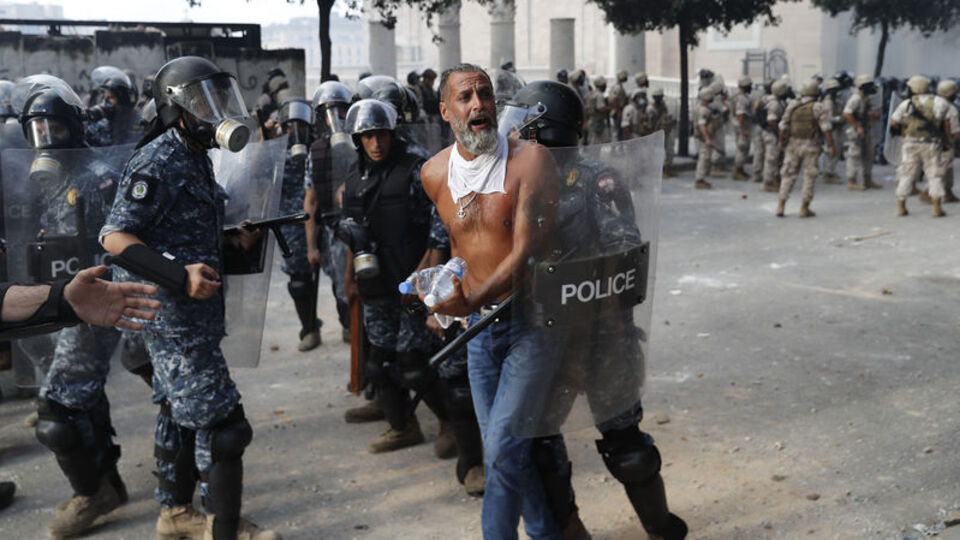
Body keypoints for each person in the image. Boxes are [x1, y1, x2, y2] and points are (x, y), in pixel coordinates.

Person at [100, 56, 280, 540]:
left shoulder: (195, 155)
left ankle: (175, 514)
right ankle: (224, 529)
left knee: (178, 415)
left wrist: (228, 241)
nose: (217, 112)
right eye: (204, 103)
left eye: (220, 100)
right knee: (225, 427)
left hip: (192, 320)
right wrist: (180, 276)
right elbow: (116, 238)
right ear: (175, 110)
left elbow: (178, 230)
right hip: (173, 323)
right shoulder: (158, 159)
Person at [504, 79, 689, 540]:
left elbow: (625, 251)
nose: (516, 139)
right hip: (545, 337)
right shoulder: (515, 180)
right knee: (541, 443)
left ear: (546, 131)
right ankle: (569, 530)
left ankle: (660, 526)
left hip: (602, 334)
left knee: (628, 448)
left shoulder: (593, 179)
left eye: (525, 129)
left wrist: (568, 269)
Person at [420, 62, 564, 540]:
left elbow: (524, 253)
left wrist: (469, 301)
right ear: (446, 111)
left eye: (484, 94)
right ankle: (547, 533)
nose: (478, 104)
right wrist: (441, 289)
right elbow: (461, 249)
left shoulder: (531, 161)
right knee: (506, 449)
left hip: (530, 321)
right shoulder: (434, 174)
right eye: (465, 97)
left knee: (501, 449)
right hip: (478, 332)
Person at [14, 79, 133, 539]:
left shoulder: (97, 175)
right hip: (65, 298)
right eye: (37, 129)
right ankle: (111, 480)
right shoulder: (51, 178)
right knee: (85, 399)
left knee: (56, 412)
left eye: (54, 129)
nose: (46, 139)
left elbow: (119, 242)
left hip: (97, 298)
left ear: (75, 128)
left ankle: (92, 493)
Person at [338, 99, 448, 454]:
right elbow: (354, 233)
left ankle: (453, 424)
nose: (376, 144)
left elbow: (440, 229)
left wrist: (424, 278)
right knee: (379, 363)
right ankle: (402, 426)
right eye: (368, 136)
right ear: (358, 139)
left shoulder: (415, 170)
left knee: (414, 363)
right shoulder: (355, 178)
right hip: (375, 285)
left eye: (381, 134)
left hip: (412, 285)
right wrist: (349, 276)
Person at [307, 81, 355, 344]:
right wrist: (311, 246)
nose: (335, 116)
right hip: (335, 231)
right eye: (327, 110)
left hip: (366, 228)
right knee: (342, 288)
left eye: (339, 109)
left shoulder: (365, 138)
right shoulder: (316, 152)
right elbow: (311, 201)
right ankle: (349, 327)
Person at [275, 91, 322, 350]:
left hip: (320, 218)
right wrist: (264, 141)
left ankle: (348, 324)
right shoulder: (275, 149)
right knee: (299, 280)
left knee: (340, 276)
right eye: (290, 125)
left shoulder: (320, 146)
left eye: (301, 124)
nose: (296, 130)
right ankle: (309, 328)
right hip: (290, 223)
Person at [888, 75, 956, 217]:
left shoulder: (906, 103)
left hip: (910, 143)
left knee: (906, 173)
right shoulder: (940, 102)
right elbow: (948, 126)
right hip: (931, 144)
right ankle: (937, 208)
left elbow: (893, 123)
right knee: (934, 174)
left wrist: (904, 131)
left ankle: (901, 207)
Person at [776, 80, 834, 217]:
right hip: (811, 145)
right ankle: (804, 208)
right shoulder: (818, 107)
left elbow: (782, 125)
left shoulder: (793, 105)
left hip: (793, 144)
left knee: (788, 175)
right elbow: (826, 129)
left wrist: (780, 141)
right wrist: (831, 145)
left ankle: (781, 205)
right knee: (809, 176)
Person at [85, 66, 142, 147]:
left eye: (111, 98)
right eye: (105, 99)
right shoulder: (101, 125)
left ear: (124, 100)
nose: (106, 103)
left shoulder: (139, 124)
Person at [843, 74, 882, 191]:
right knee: (854, 156)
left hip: (867, 129)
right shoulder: (856, 98)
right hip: (857, 131)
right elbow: (847, 113)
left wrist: (873, 115)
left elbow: (864, 112)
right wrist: (857, 127)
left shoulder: (865, 98)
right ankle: (852, 181)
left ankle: (868, 179)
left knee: (869, 155)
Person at [762, 80, 789, 192]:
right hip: (771, 133)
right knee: (771, 158)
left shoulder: (777, 101)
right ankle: (768, 182)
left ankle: (775, 178)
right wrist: (779, 132)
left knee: (777, 157)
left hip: (773, 133)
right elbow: (771, 120)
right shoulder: (774, 103)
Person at [647, 88, 676, 177]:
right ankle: (657, 171)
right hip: (655, 133)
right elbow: (650, 123)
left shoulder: (664, 105)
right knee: (656, 153)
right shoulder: (650, 108)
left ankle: (667, 169)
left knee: (669, 150)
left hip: (665, 132)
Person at [693, 85, 718, 190]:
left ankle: (701, 178)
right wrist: (707, 138)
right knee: (704, 158)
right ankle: (700, 179)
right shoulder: (703, 110)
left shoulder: (701, 108)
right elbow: (702, 125)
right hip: (703, 138)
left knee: (704, 157)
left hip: (703, 137)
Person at [821, 78, 845, 184]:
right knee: (831, 150)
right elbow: (829, 118)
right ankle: (828, 173)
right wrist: (840, 118)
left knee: (836, 150)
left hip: (836, 129)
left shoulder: (835, 100)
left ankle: (830, 170)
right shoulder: (828, 102)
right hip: (831, 129)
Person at [751, 79, 773, 184]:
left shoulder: (760, 100)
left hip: (758, 127)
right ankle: (768, 176)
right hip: (768, 128)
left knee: (758, 151)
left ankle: (756, 174)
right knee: (769, 152)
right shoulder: (773, 100)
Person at [732, 76, 753, 180]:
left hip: (740, 125)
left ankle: (740, 169)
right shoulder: (742, 98)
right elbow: (741, 115)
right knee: (742, 148)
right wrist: (744, 129)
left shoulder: (739, 96)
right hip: (741, 126)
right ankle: (738, 170)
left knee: (743, 148)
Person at [585, 76, 610, 144]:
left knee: (592, 140)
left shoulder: (592, 93)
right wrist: (608, 108)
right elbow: (600, 108)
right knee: (597, 142)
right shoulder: (599, 95)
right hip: (597, 121)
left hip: (591, 120)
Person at [610, 70, 629, 141]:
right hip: (618, 111)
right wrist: (618, 112)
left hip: (619, 110)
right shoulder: (617, 87)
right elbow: (614, 100)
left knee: (619, 131)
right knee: (617, 131)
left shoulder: (619, 86)